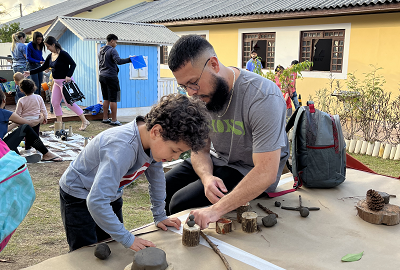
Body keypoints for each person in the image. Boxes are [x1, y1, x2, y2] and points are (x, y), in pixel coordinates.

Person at [165, 34, 289, 229]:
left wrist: (215, 210)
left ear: (214, 64)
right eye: (184, 86)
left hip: (248, 170)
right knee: (163, 187)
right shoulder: (201, 96)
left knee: (180, 202)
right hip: (218, 161)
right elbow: (200, 150)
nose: (190, 92)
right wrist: (206, 177)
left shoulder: (263, 96)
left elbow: (266, 172)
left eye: (193, 83)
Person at [59, 93, 211, 252]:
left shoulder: (152, 142)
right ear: (156, 132)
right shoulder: (123, 148)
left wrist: (160, 215)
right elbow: (96, 201)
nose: (175, 157)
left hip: (108, 194)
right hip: (78, 195)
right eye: (175, 150)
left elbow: (157, 181)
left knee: (112, 245)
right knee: (86, 253)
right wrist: (127, 238)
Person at [25, 36, 90, 131]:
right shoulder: (50, 55)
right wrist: (29, 72)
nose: (47, 48)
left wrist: (69, 75)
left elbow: (73, 64)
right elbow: (43, 67)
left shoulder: (63, 54)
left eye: (48, 46)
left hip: (65, 82)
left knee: (69, 103)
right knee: (55, 102)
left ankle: (85, 121)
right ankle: (59, 123)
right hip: (56, 82)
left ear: (53, 44)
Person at [0, 89, 62, 162]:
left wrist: (16, 123)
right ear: (4, 100)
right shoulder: (4, 113)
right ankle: (46, 154)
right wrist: (40, 119)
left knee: (12, 137)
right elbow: (31, 124)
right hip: (2, 150)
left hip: (2, 147)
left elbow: (3, 130)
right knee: (25, 127)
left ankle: (17, 157)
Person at [98, 34, 132, 126]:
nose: (116, 44)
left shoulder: (101, 50)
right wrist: (130, 59)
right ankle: (114, 120)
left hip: (102, 76)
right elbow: (119, 61)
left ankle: (105, 118)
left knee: (106, 98)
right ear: (112, 41)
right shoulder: (112, 50)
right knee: (113, 99)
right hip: (111, 77)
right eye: (116, 42)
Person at [15, 79, 47, 151]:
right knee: (36, 135)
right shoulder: (38, 97)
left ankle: (27, 148)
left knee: (27, 136)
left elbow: (17, 113)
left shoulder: (21, 100)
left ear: (21, 90)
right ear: (34, 87)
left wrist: (17, 122)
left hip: (25, 122)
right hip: (36, 120)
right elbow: (43, 109)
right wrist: (45, 118)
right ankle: (38, 149)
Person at [11, 32, 27, 102]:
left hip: (15, 66)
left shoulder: (12, 46)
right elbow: (26, 57)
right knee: (24, 84)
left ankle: (18, 101)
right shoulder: (22, 46)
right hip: (22, 66)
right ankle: (23, 101)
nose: (25, 40)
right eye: (24, 39)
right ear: (21, 38)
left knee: (17, 83)